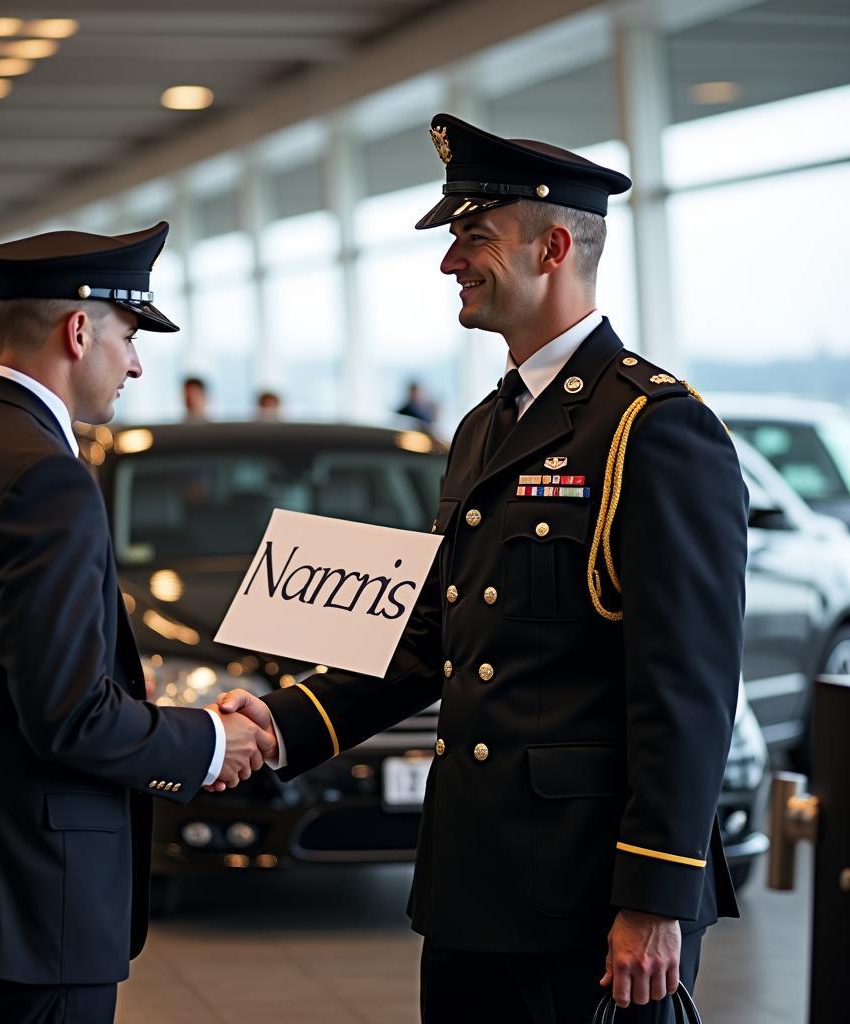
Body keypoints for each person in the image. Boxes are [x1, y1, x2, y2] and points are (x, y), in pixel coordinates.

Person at [214, 115, 747, 1023]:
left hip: (590, 895)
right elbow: (431, 636)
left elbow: (687, 686)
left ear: (552, 245)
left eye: (472, 236)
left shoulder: (652, 428)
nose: (449, 262)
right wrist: (280, 724)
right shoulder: (483, 428)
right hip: (474, 881)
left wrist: (657, 896)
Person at [0, 221, 275, 1023]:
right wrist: (213, 741)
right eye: (128, 335)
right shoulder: (45, 476)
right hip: (27, 899)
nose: (136, 361)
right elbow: (68, 715)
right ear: (79, 330)